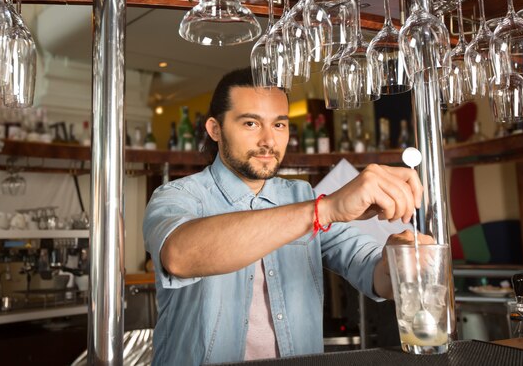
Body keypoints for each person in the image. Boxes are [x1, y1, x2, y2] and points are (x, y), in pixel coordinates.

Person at [143, 67, 434, 366]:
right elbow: (180, 256)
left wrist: (397, 261)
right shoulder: (177, 196)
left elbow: (371, 271)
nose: (269, 140)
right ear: (215, 129)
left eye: (279, 125)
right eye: (251, 123)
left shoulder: (302, 195)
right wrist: (324, 209)